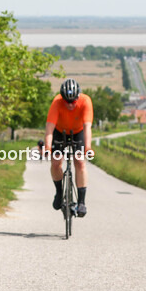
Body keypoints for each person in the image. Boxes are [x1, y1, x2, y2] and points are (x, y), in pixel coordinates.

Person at [43, 79, 92, 217]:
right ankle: (59, 193)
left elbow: (87, 127)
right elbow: (49, 128)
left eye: (73, 101)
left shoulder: (85, 101)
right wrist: (47, 147)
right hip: (60, 131)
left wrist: (88, 147)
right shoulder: (57, 102)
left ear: (78, 96)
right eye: (67, 101)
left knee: (80, 162)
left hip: (78, 132)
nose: (70, 105)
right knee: (56, 162)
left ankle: (81, 202)